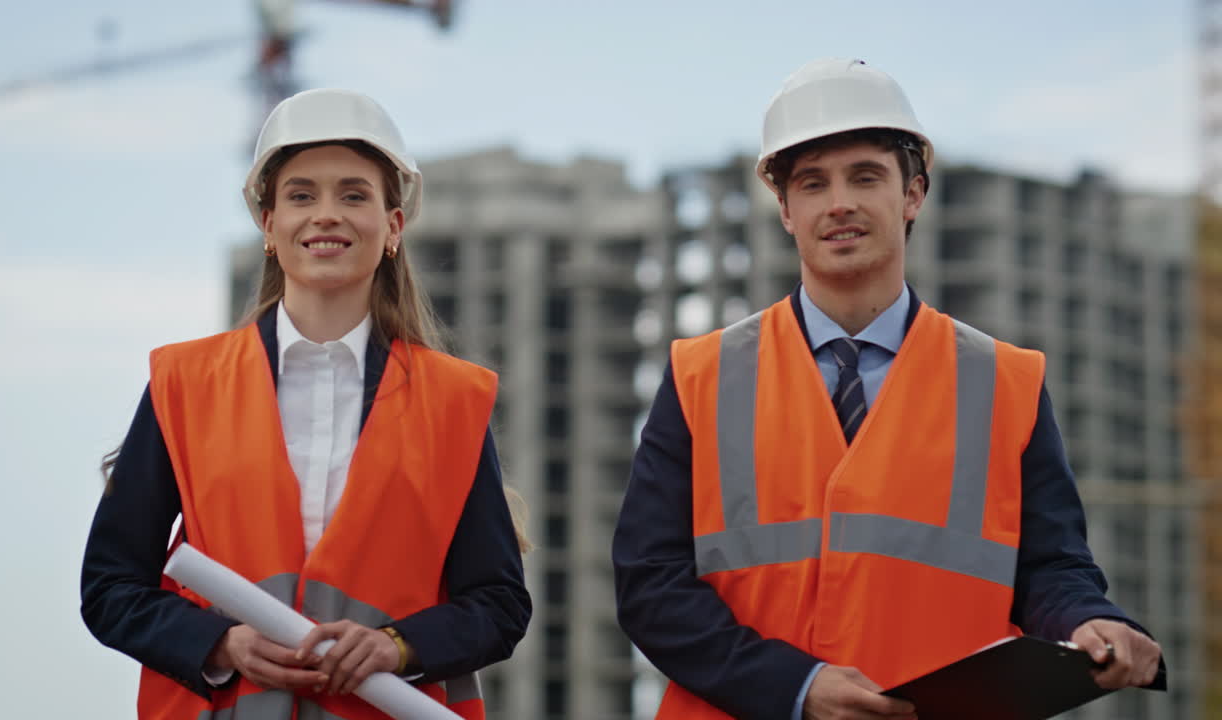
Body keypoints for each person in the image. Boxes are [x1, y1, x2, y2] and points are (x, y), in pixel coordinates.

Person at [612, 58, 1164, 720]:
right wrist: (792, 686)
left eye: (865, 176)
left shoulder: (1006, 382)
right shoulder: (702, 375)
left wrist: (1088, 621)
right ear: (785, 209)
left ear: (913, 194)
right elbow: (651, 585)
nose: (838, 202)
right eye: (813, 184)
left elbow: (1050, 567)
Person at [81, 88, 531, 720]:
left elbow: (499, 604)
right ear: (269, 225)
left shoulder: (454, 400)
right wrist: (222, 643)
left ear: (393, 226)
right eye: (301, 196)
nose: (327, 214)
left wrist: (395, 647)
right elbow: (110, 587)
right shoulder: (183, 383)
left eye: (353, 195)